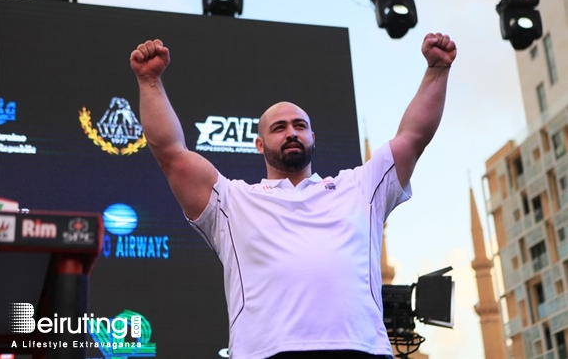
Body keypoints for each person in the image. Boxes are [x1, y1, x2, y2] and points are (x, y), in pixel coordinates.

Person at [130, 32, 457, 359]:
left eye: (299, 126)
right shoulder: (232, 201)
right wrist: (149, 81)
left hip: (362, 348)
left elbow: (413, 137)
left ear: (312, 137)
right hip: (265, 352)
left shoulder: (360, 187)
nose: (291, 132)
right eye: (279, 127)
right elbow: (171, 154)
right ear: (259, 144)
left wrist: (437, 70)